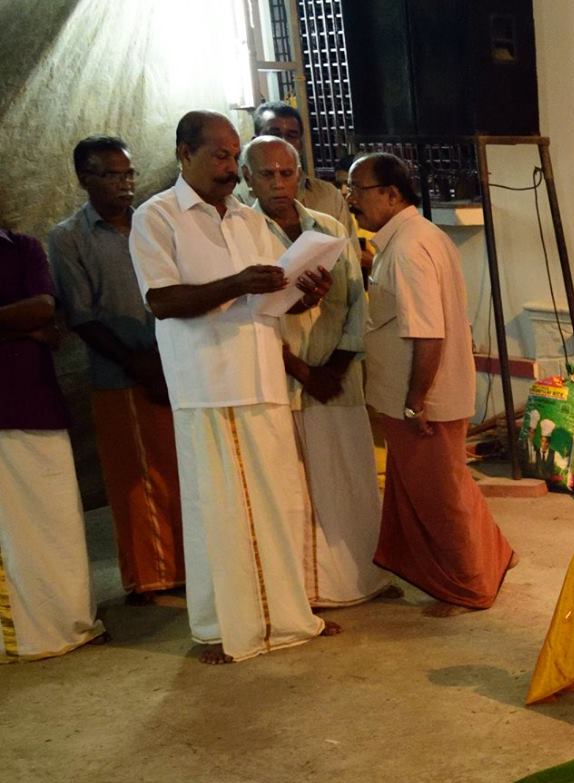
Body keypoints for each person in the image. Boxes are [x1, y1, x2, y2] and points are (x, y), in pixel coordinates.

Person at [131, 110, 336, 664]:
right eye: (219, 156)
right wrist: (236, 284)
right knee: (217, 510)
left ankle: (287, 616)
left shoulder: (248, 221)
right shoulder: (157, 217)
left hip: (262, 373)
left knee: (278, 502)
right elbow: (162, 301)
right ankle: (222, 627)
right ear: (183, 153)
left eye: (232, 155)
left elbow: (269, 296)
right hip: (205, 382)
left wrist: (304, 293)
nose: (229, 167)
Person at [348, 151, 513, 611]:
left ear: (391, 194)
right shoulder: (416, 237)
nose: (351, 199)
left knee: (440, 499)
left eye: (358, 189)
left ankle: (468, 586)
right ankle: (492, 557)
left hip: (421, 399)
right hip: (415, 394)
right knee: (438, 488)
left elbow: (426, 331)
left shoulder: (406, 249)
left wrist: (415, 400)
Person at [244, 135, 389, 609]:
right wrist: (305, 371)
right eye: (267, 174)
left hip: (337, 377)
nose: (279, 184)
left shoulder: (328, 228)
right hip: (282, 381)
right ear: (248, 179)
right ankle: (306, 590)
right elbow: (253, 318)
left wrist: (338, 365)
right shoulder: (242, 234)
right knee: (295, 489)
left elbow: (355, 302)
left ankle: (359, 577)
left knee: (349, 479)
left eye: (287, 173)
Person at [47, 134, 185, 603]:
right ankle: (148, 579)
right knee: (135, 480)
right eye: (111, 174)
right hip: (120, 371)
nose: (125, 184)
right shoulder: (68, 238)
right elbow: (81, 314)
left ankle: (189, 568)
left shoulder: (152, 222)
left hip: (175, 364)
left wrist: (167, 359)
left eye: (129, 173)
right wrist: (138, 363)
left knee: (181, 470)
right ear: (85, 178)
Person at [0, 227, 105, 661]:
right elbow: (32, 318)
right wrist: (21, 326)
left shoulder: (21, 246)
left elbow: (44, 308)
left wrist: (35, 324)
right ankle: (19, 636)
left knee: (56, 522)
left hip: (33, 398)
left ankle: (67, 622)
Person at [239, 101, 353, 234]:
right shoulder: (237, 203)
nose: (283, 142)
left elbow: (349, 252)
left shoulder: (328, 196)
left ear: (300, 144)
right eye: (274, 134)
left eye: (291, 136)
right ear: (255, 141)